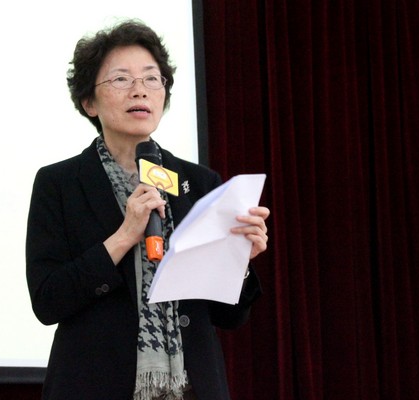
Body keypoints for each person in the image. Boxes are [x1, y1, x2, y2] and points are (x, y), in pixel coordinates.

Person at [26, 19, 270, 400]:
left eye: (152, 79)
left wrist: (238, 261)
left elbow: (229, 316)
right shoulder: (60, 183)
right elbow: (48, 300)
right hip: (96, 385)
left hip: (190, 388)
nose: (139, 89)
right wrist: (124, 236)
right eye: (121, 79)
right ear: (89, 102)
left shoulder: (199, 182)